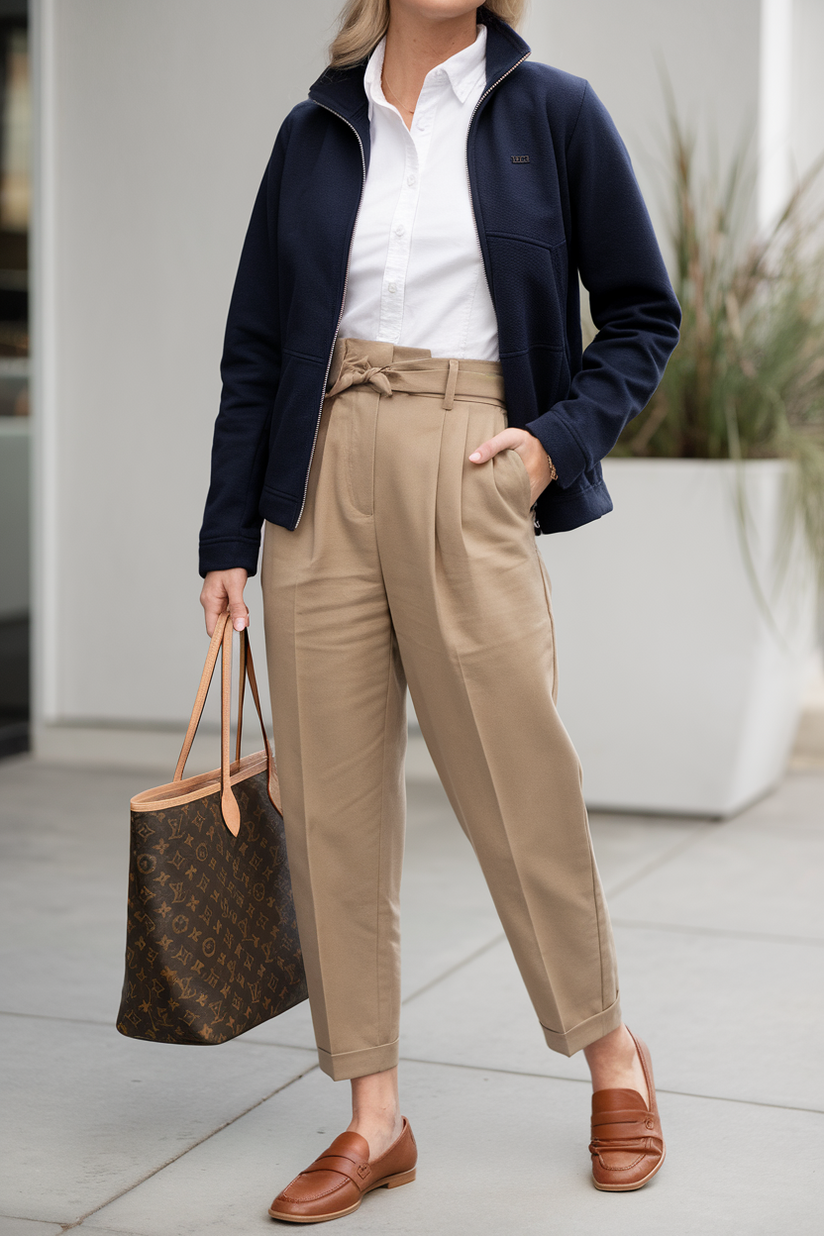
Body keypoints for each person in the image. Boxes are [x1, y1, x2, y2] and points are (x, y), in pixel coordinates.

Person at [199, 0, 680, 1221]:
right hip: (320, 478)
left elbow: (640, 315)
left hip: (473, 461)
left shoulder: (550, 111)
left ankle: (609, 1052)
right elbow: (256, 346)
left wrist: (547, 449)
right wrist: (226, 537)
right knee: (333, 813)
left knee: (519, 784)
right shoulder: (317, 127)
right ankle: (373, 1116)